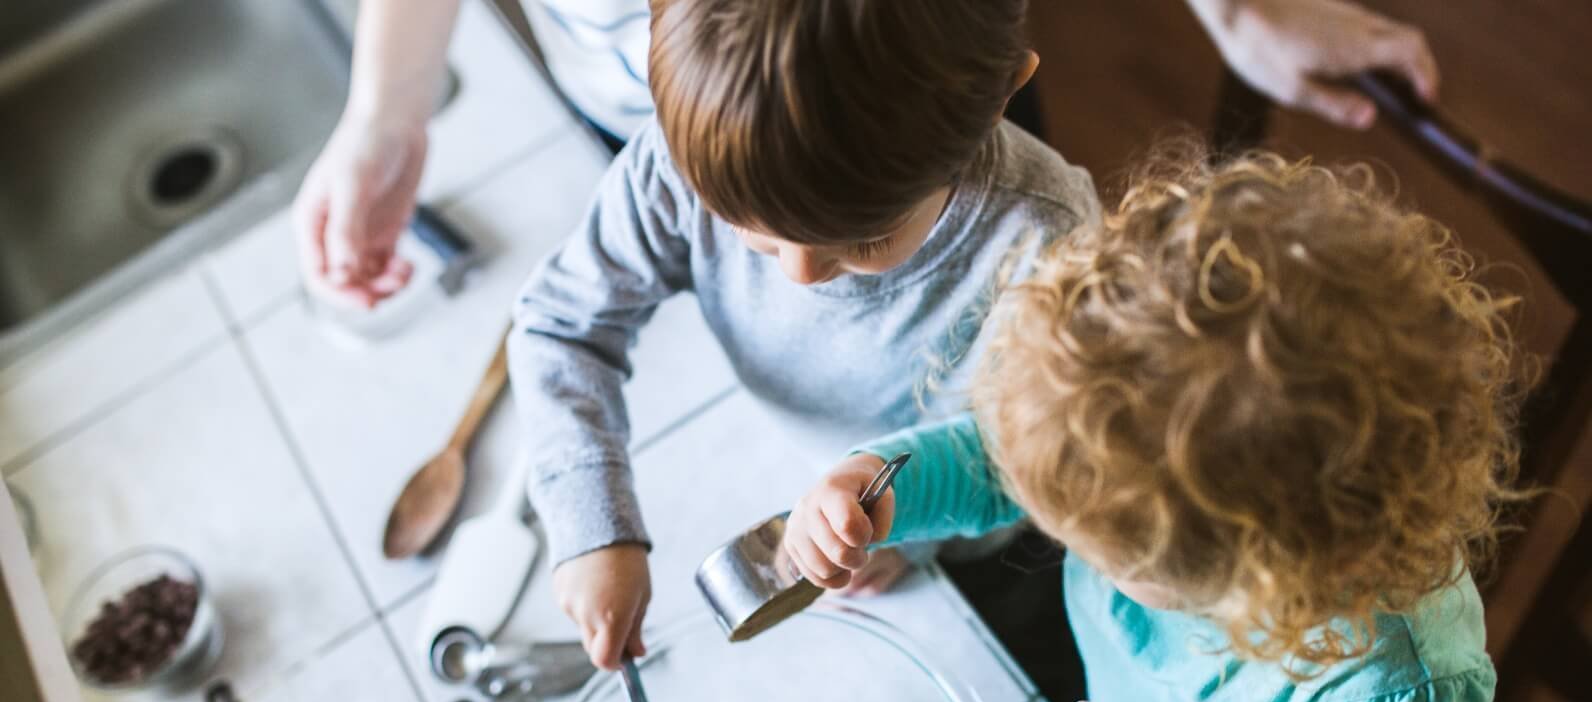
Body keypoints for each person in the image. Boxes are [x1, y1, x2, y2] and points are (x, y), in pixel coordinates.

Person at [779, 150, 1519, 702]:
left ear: (1256, 575)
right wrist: (876, 483)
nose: (1053, 532)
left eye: (1094, 548)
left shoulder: (1397, 698)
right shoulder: (1135, 444)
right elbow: (1004, 462)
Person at [511, 0, 1098, 669]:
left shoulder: (1047, 241)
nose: (802, 274)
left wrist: (905, 521)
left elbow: (1038, 454)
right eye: (750, 236)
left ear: (1002, 92)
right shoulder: (688, 156)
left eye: (864, 239)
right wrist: (592, 527)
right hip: (820, 479)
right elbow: (563, 326)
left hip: (977, 545)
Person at [294, 0, 1441, 309]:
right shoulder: (669, 163)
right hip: (638, 118)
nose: (784, 267)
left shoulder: (1011, 207)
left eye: (847, 239)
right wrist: (385, 113)